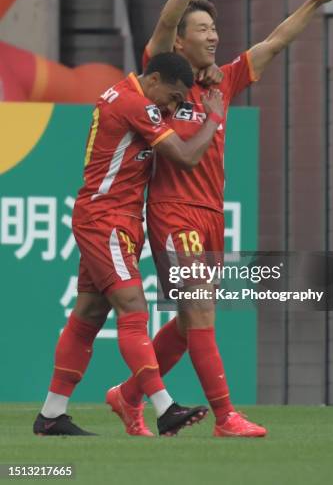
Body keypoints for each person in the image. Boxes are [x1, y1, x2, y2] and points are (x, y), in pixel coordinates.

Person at [112, 0, 333, 437]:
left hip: (210, 214)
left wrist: (314, 1)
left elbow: (276, 43)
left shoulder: (227, 79)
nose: (213, 36)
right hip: (172, 213)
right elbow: (164, 20)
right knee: (199, 312)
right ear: (181, 39)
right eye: (201, 29)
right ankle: (225, 417)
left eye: (214, 29)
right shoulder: (161, 73)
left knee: (187, 322)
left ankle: (127, 395)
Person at [33, 52, 225, 437]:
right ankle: (164, 406)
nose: (170, 107)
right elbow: (187, 157)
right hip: (107, 220)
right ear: (153, 80)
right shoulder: (137, 103)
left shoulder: (127, 96)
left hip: (111, 217)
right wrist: (214, 118)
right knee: (133, 308)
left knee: (88, 314)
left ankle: (52, 414)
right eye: (171, 97)